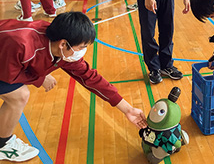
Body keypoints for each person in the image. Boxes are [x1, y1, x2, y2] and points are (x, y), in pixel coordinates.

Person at [0, 12, 147, 162]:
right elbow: (9, 76)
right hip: (3, 58)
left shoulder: (64, 52)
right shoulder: (22, 44)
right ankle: (3, 145)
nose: (82, 51)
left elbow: (90, 78)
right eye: (82, 47)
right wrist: (40, 78)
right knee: (19, 96)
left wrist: (128, 109)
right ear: (63, 44)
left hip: (5, 60)